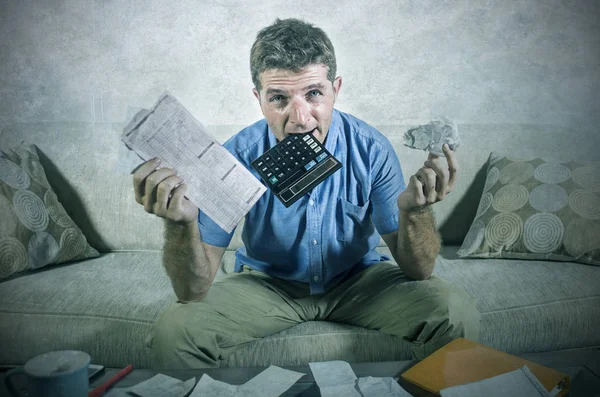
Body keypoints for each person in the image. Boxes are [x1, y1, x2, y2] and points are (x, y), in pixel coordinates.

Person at [134, 18, 480, 369]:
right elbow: (192, 291)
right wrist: (182, 225)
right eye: (279, 98)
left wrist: (415, 213)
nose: (300, 118)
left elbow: (419, 272)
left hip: (358, 281)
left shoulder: (371, 149)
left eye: (314, 93)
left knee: (455, 312)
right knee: (175, 332)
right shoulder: (236, 157)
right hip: (268, 285)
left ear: (336, 89)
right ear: (259, 99)